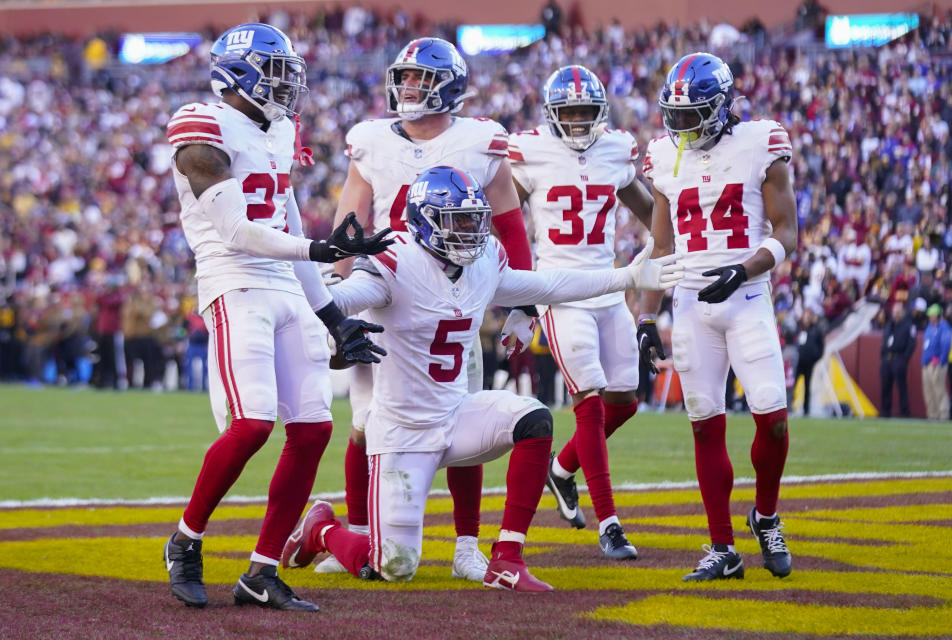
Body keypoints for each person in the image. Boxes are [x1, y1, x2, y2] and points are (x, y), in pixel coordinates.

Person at [281, 166, 683, 591]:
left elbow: (549, 284)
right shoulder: (396, 259)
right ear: (424, 220)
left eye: (474, 218)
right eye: (458, 220)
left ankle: (507, 559)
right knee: (394, 564)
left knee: (535, 418)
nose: (470, 230)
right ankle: (321, 530)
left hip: (456, 416)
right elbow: (339, 300)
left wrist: (627, 277)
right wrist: (317, 278)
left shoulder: (484, 261)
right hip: (403, 432)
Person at [161, 23, 392, 612]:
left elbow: (286, 214)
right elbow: (238, 231)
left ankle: (261, 571)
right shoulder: (200, 126)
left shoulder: (280, 129)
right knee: (253, 424)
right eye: (278, 74)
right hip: (234, 281)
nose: (289, 87)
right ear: (239, 76)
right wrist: (319, 250)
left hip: (286, 284)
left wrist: (331, 314)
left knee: (313, 428)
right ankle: (185, 541)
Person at [316, 37, 536, 582]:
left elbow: (510, 226)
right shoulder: (369, 140)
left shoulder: (480, 140)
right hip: (388, 294)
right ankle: (360, 533)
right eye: (405, 78)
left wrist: (523, 305)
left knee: (463, 412)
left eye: (419, 79)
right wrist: (335, 307)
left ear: (449, 86)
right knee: (366, 426)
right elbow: (350, 224)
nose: (408, 88)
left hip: (451, 299)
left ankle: (466, 544)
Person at [638, 52, 799, 582]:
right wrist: (645, 319)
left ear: (722, 106)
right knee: (705, 426)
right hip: (689, 305)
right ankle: (722, 547)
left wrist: (744, 268)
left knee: (772, 420)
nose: (679, 125)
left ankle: (766, 516)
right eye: (674, 113)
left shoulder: (761, 141)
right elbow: (660, 246)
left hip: (747, 297)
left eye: (692, 113)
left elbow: (787, 232)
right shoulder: (664, 155)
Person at [508, 65, 654, 559]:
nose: (574, 121)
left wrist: (676, 237)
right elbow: (506, 218)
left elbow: (651, 210)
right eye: (566, 112)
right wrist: (522, 294)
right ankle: (610, 524)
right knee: (589, 405)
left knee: (625, 403)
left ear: (600, 114)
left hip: (609, 289)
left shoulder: (616, 148)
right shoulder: (530, 152)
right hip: (560, 290)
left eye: (583, 112)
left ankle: (561, 470)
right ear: (551, 116)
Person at [880, 302, 917, 418]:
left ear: (902, 313)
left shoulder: (908, 326)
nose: (895, 314)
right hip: (887, 358)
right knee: (885, 386)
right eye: (894, 312)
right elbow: (884, 341)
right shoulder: (889, 325)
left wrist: (904, 359)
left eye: (898, 312)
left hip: (899, 358)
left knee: (901, 387)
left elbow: (911, 344)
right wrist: (883, 356)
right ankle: (885, 412)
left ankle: (904, 412)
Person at [920, 304, 950, 420]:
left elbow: (946, 344)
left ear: (938, 315)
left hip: (937, 364)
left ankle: (943, 415)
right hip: (927, 363)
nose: (930, 317)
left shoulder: (944, 327)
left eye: (932, 315)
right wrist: (923, 361)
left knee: (939, 390)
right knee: (928, 391)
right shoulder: (929, 327)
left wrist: (941, 360)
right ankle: (932, 415)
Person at [794, 309, 825, 416]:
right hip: (797, 363)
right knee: (792, 385)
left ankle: (806, 410)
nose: (806, 318)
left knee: (807, 387)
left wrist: (814, 358)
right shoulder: (798, 328)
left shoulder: (816, 330)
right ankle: (789, 406)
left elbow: (821, 348)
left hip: (809, 364)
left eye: (808, 316)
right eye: (805, 315)